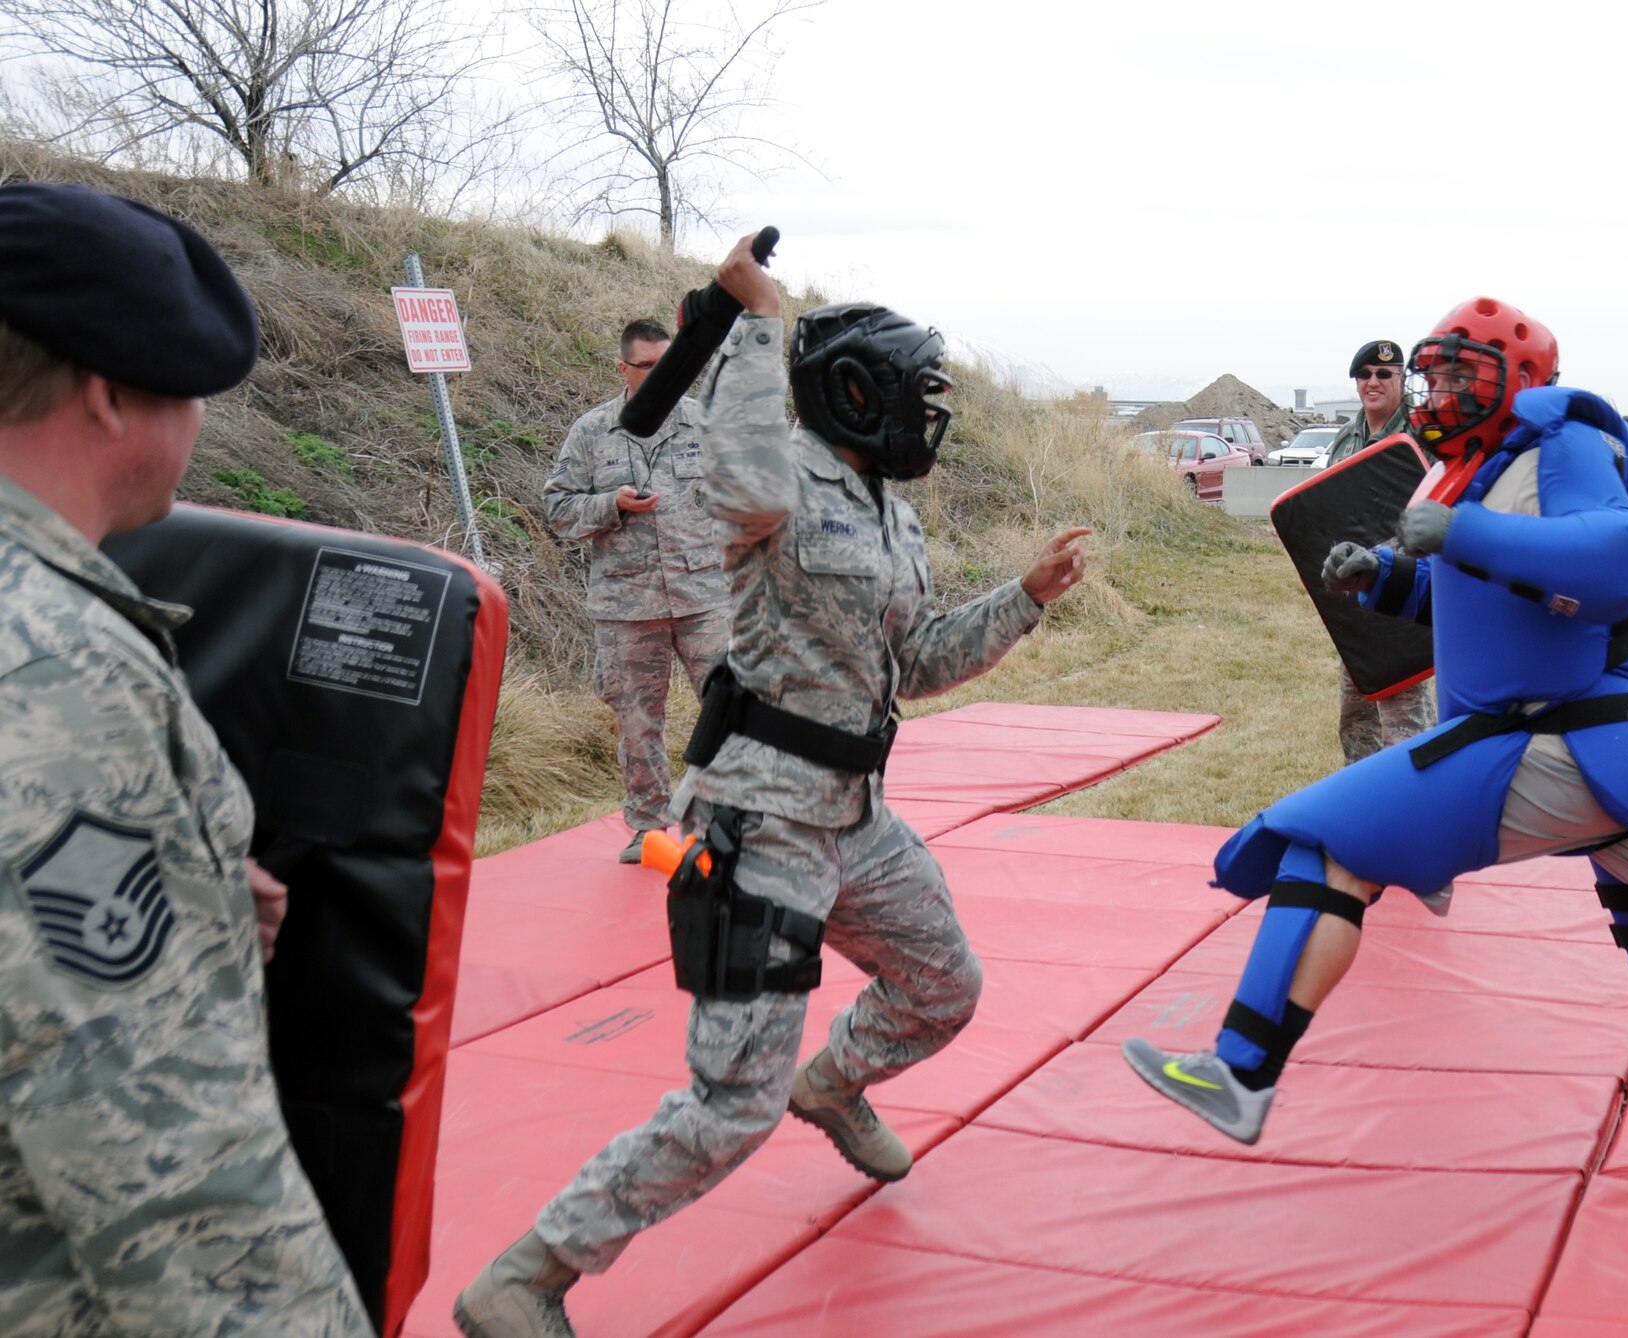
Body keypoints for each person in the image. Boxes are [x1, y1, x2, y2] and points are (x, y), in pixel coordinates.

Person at [454, 233, 1091, 1337]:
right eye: (910, 394)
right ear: (851, 393)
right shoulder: (771, 478)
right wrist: (757, 317)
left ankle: (834, 1084)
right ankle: (526, 1275)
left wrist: (1023, 595)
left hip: (855, 818)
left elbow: (922, 662)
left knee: (943, 988)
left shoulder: (889, 510)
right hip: (762, 824)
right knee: (730, 1105)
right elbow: (740, 472)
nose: (927, 418)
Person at [1124, 296, 1628, 1189]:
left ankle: (1240, 1073)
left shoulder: (1561, 443)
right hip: (1626, 753)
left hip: (1567, 743)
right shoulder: (1486, 467)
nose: (1444, 389)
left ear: (1521, 378)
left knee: (1325, 843)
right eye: (1439, 373)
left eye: (1465, 373)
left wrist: (1461, 532)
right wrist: (1385, 580)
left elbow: (1615, 565)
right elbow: (1492, 605)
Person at [0, 182, 370, 1334]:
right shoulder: (52, 664)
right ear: (109, 395)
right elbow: (161, 1158)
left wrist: (194, 893)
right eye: (193, 394)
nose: (201, 428)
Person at [546, 318, 730, 862]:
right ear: (622, 368)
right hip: (628, 604)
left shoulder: (703, 423)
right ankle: (649, 827)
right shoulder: (591, 431)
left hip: (703, 597)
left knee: (730, 707)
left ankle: (728, 821)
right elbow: (557, 509)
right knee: (637, 720)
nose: (658, 375)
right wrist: (610, 504)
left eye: (667, 364)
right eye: (647, 366)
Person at [1321, 339, 1437, 764]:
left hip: (1403, 592)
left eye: (1384, 374)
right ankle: (1361, 806)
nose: (1373, 382)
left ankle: (1416, 811)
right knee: (1355, 717)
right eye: (1364, 375)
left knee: (1406, 725)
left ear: (1402, 380)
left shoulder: (1423, 437)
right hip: (1352, 603)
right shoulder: (1345, 439)